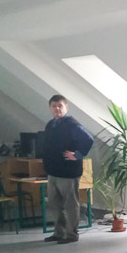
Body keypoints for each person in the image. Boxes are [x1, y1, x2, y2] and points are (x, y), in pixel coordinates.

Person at [42, 95, 94, 244]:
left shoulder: (72, 125)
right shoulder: (50, 125)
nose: (57, 109)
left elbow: (88, 140)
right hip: (53, 171)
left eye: (60, 106)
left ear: (66, 107)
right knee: (55, 204)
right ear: (50, 108)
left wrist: (77, 155)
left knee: (70, 205)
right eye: (54, 106)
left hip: (68, 172)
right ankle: (59, 233)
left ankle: (71, 235)